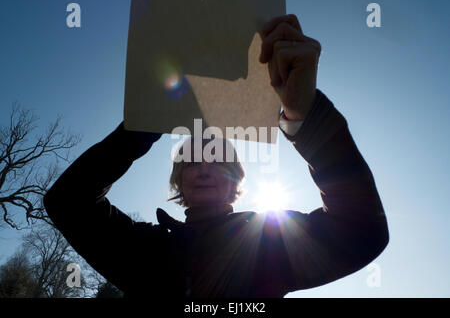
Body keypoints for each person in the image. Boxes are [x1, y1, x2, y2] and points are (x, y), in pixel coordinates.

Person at [43, 15, 389, 297]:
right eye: (193, 160)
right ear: (178, 179)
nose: (205, 168)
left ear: (238, 181)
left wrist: (306, 115)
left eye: (219, 161)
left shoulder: (269, 243)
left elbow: (362, 232)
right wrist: (146, 123)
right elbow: (67, 201)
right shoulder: (143, 250)